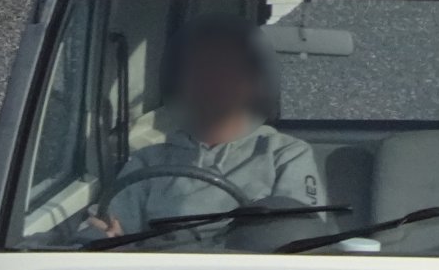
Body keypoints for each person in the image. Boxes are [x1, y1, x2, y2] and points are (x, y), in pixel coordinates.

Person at [88, 15, 324, 236]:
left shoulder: (284, 154)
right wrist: (105, 235)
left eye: (226, 75)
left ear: (253, 85)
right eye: (201, 74)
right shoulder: (148, 162)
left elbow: (300, 235)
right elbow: (111, 229)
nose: (213, 87)